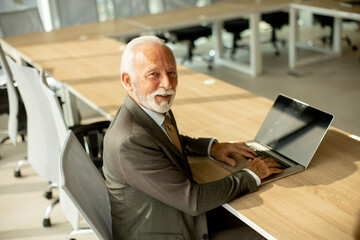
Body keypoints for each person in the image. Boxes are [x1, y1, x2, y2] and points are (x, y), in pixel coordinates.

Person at [103, 36, 283, 240]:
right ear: (128, 81)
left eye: (172, 72)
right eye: (154, 74)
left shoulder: (146, 109)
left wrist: (210, 148)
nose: (167, 83)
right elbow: (194, 201)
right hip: (166, 232)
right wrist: (250, 174)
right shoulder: (130, 141)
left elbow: (164, 139)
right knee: (268, 232)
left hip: (174, 212)